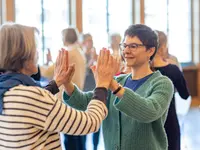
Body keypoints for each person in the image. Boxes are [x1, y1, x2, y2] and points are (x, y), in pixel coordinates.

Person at [0, 23, 111, 150]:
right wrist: (102, 85)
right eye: (35, 48)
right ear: (24, 55)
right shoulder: (32, 97)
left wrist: (56, 82)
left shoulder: (6, 88)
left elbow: (31, 106)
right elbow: (90, 122)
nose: (37, 53)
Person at [63, 24, 174, 150]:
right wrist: (67, 83)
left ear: (150, 50)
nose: (126, 51)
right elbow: (84, 102)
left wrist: (113, 85)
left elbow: (150, 111)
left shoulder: (162, 83)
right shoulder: (117, 80)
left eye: (133, 46)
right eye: (124, 46)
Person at [153, 30, 190, 150]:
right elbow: (185, 94)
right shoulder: (173, 70)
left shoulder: (142, 69)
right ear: (164, 46)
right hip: (169, 122)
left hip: (149, 124)